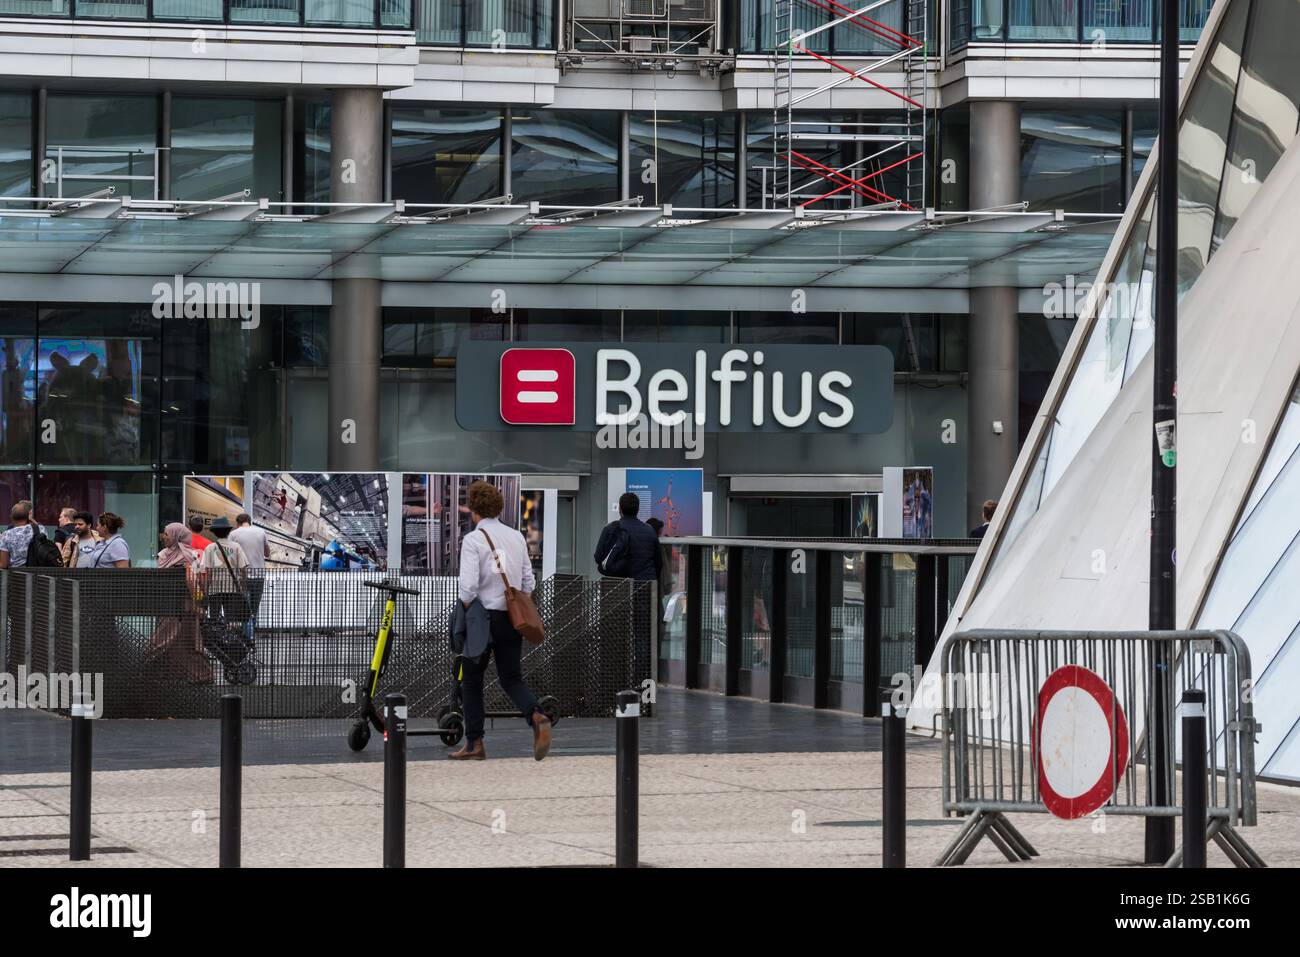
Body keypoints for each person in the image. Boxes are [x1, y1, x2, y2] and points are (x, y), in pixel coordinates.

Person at [450, 480, 551, 762]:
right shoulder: (517, 537)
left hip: (481, 617)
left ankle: (475, 744)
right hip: (510, 617)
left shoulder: (473, 540)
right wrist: (514, 604)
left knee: (471, 681)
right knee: (511, 678)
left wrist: (468, 609)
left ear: (473, 509)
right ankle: (536, 715)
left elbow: (468, 587)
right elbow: (528, 581)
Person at [145, 522, 210, 684]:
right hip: (178, 605)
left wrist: (197, 600)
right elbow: (201, 580)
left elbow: (195, 580)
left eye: (167, 534)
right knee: (188, 641)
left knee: (175, 640)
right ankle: (194, 675)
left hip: (181, 605)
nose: (164, 537)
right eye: (164, 534)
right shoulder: (187, 555)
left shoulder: (183, 555)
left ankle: (147, 670)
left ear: (176, 535)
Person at [593, 493, 662, 582]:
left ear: (620, 509)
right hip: (644, 584)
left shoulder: (610, 529)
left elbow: (598, 557)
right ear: (638, 509)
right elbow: (658, 561)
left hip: (618, 585)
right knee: (642, 596)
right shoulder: (650, 530)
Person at [0, 500, 38, 569]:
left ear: (12, 518)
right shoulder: (39, 529)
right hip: (37, 573)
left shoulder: (6, 535)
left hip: (16, 576)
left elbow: (3, 564)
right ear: (28, 517)